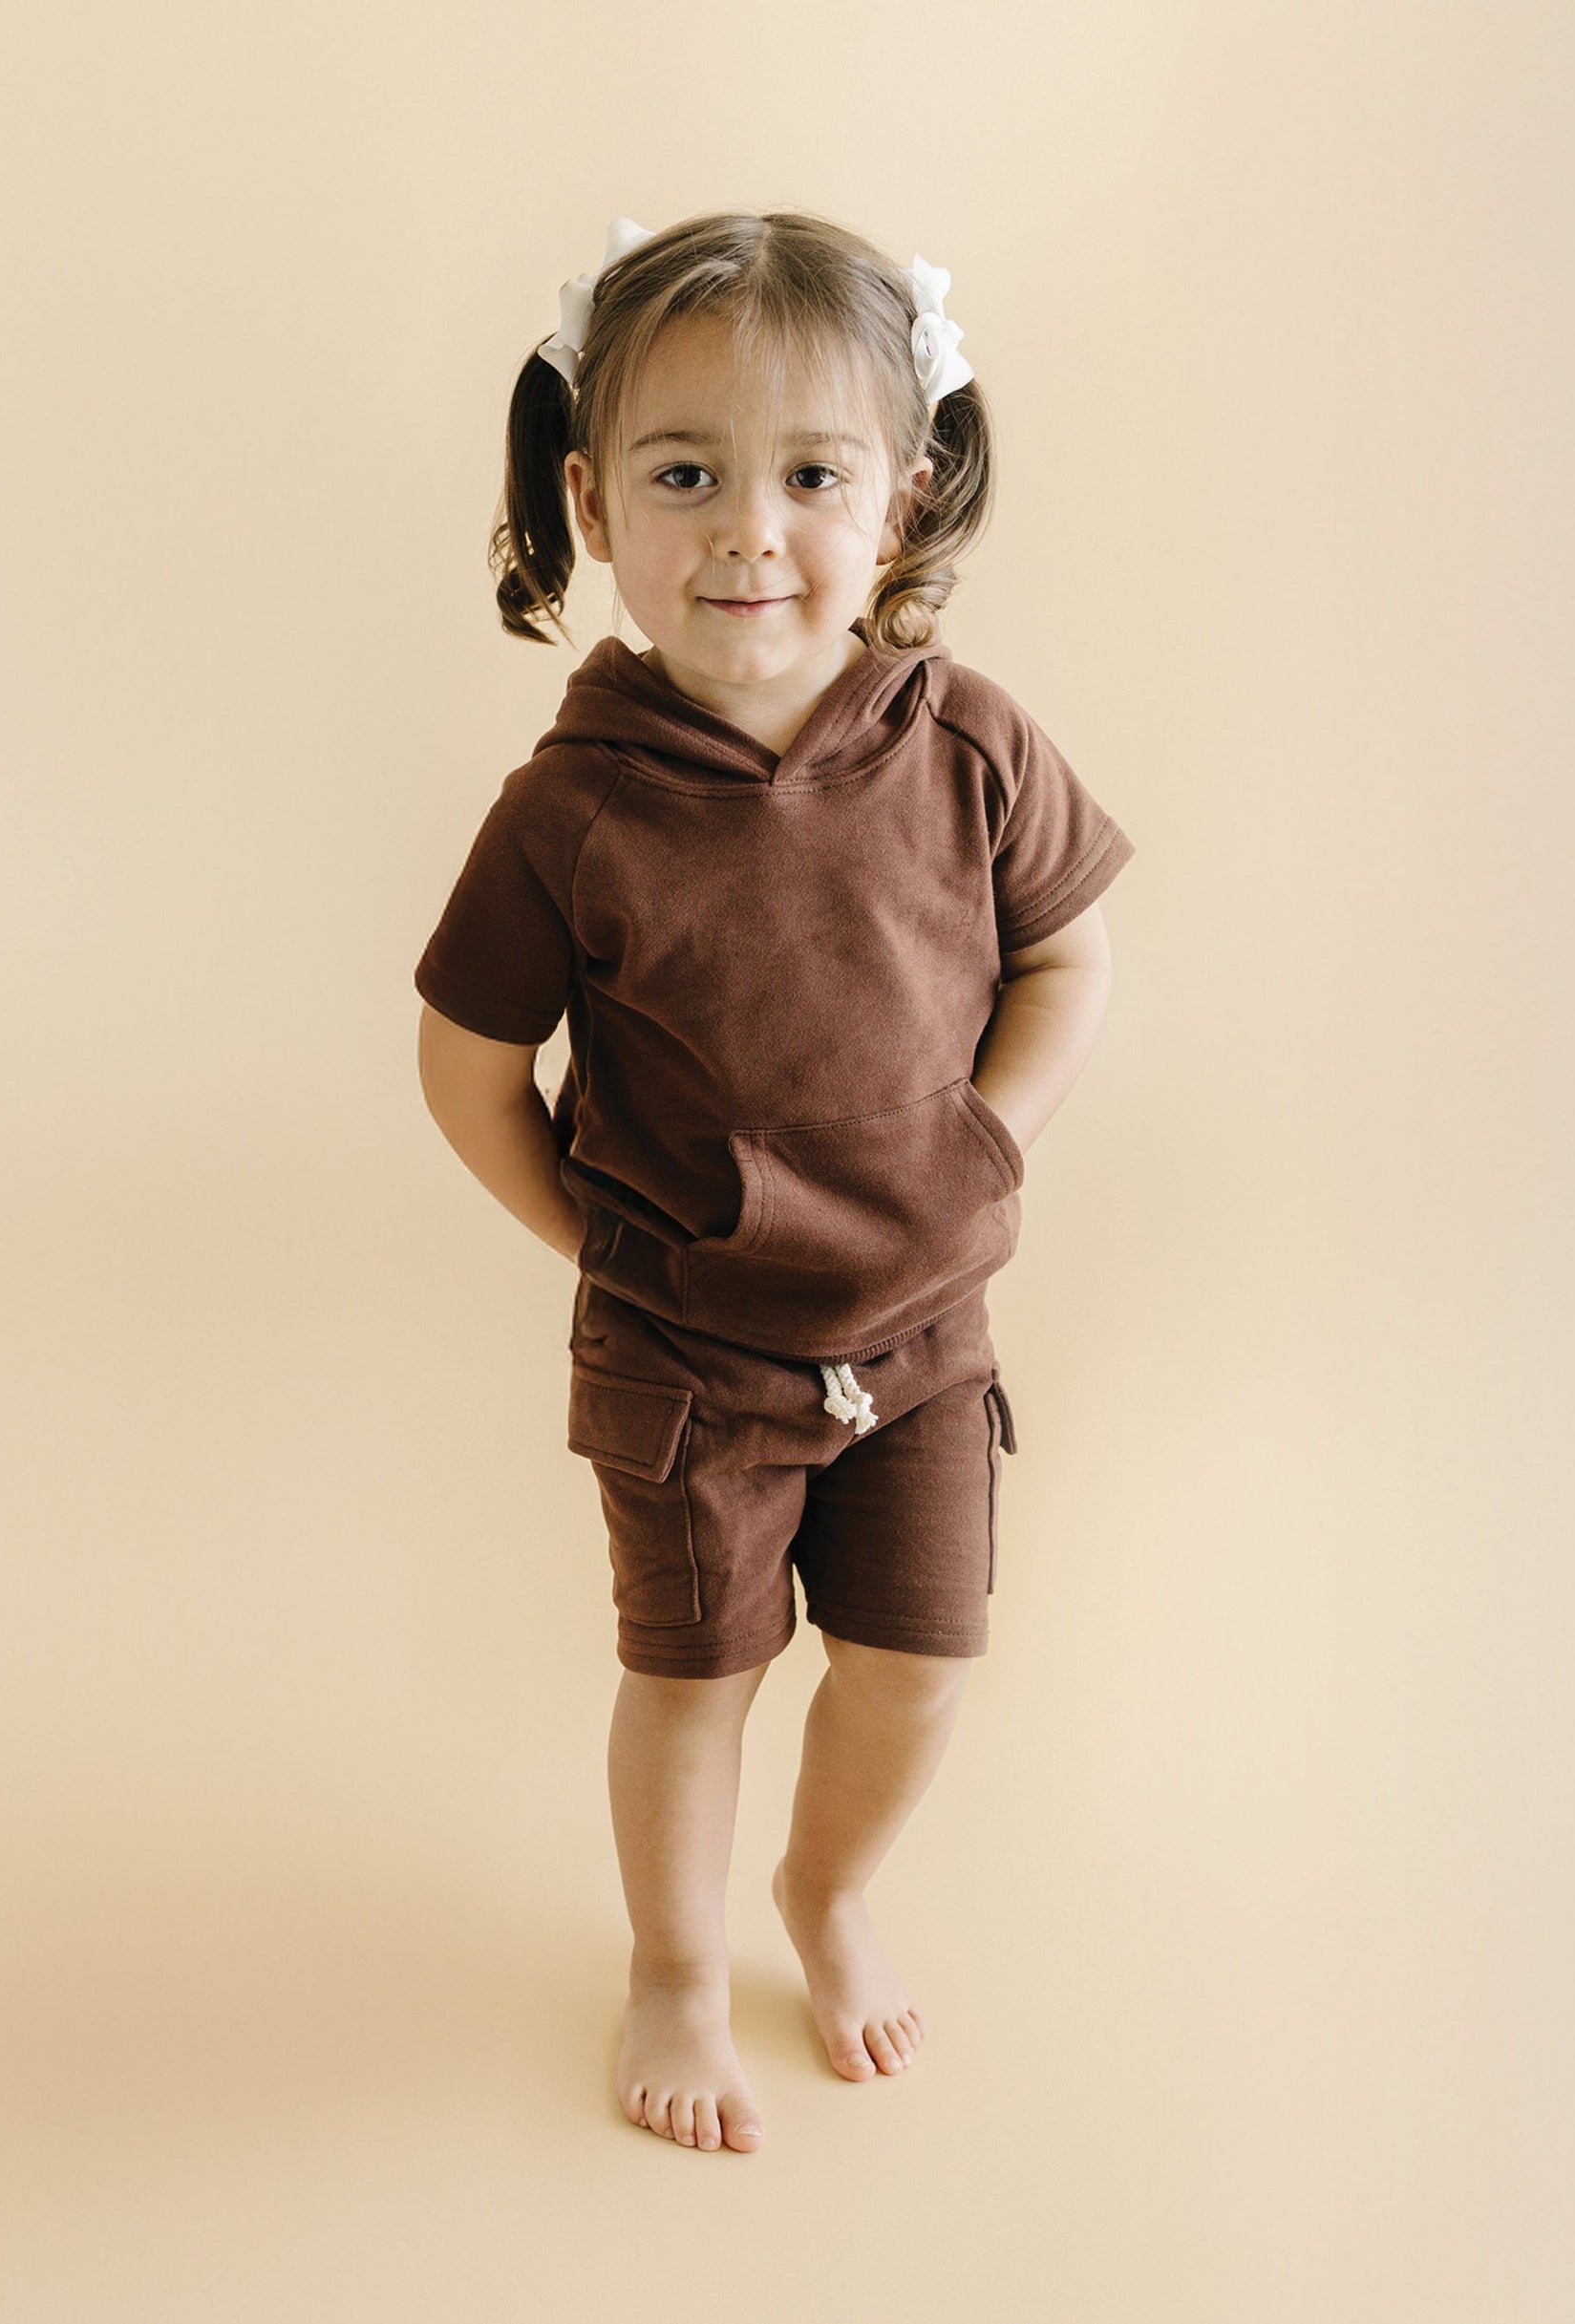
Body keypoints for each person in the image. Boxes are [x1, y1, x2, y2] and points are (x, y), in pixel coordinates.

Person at [414, 209, 1136, 2156]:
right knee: (694, 1676)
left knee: (914, 1663)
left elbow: (1066, 955)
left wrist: (986, 1141)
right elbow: (469, 1066)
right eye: (684, 474)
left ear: (902, 499)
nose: (748, 530)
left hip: (919, 1331)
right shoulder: (571, 809)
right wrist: (602, 1241)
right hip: (688, 1363)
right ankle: (672, 1957)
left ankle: (825, 1890)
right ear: (590, 501)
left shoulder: (966, 740)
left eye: (811, 475)